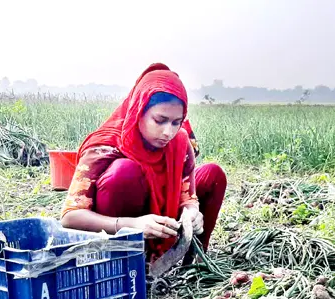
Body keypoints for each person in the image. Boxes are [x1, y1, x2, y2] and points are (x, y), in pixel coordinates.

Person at [61, 63, 227, 263]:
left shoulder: (180, 142)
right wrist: (131, 225)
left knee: (213, 174)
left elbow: (187, 196)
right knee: (124, 172)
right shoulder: (105, 146)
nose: (168, 132)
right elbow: (70, 218)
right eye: (159, 120)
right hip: (121, 225)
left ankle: (193, 261)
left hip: (163, 220)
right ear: (139, 111)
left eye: (176, 122)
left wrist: (193, 212)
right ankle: (126, 260)